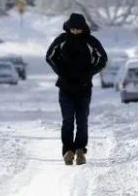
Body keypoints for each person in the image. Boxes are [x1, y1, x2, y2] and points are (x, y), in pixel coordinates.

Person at [46, 13, 107, 165]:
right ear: (68, 27)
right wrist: (61, 72)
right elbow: (49, 56)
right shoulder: (62, 40)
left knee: (82, 120)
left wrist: (89, 73)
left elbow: (102, 58)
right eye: (72, 29)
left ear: (83, 28)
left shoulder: (90, 41)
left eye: (78, 29)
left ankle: (80, 150)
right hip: (65, 88)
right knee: (67, 120)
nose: (74, 32)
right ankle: (68, 150)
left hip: (84, 88)